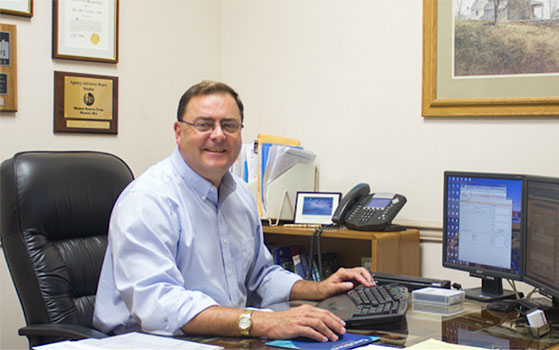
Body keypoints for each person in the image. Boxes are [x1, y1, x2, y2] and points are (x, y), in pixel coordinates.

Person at [93, 80, 375, 342]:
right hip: (148, 341)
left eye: (229, 125)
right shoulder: (148, 200)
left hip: (224, 337)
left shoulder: (239, 193)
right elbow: (159, 305)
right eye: (204, 124)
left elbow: (260, 275)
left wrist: (319, 288)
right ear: (179, 132)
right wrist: (265, 322)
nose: (218, 135)